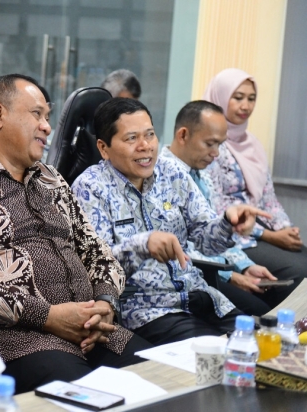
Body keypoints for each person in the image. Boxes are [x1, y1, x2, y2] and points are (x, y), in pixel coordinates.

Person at [0, 74, 153, 394]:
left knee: (161, 381)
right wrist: (46, 316)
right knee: (90, 398)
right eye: (37, 114)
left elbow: (96, 250)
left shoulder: (51, 179)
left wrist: (105, 303)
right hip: (14, 339)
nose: (47, 127)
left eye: (47, 117)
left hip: (91, 331)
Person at [71, 98, 269, 345]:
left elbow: (208, 243)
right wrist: (143, 245)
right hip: (149, 309)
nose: (145, 146)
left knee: (261, 344)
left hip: (201, 295)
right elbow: (95, 268)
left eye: (150, 135)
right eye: (132, 138)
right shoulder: (90, 188)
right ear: (103, 148)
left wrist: (229, 223)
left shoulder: (172, 174)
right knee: (218, 355)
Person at [162, 100, 296, 315]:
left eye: (220, 144)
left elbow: (215, 228)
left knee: (278, 296)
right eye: (210, 143)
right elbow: (180, 246)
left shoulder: (202, 175)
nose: (216, 153)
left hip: (214, 266)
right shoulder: (163, 178)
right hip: (188, 274)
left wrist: (245, 265)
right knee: (259, 312)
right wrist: (230, 275)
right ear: (183, 135)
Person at [203, 68, 307, 285]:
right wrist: (270, 236)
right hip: (234, 235)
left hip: (261, 226)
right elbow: (215, 206)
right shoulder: (209, 145)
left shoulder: (253, 145)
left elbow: (268, 198)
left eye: (251, 99)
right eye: (238, 97)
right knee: (299, 270)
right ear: (220, 98)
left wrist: (286, 229)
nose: (246, 106)